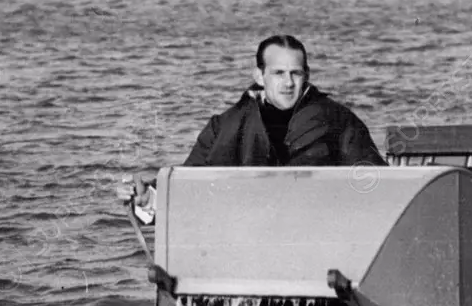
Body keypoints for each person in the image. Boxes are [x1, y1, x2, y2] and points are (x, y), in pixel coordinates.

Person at [117, 34, 386, 221]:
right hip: (243, 246)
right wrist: (147, 199)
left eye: (296, 73)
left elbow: (377, 185)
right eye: (278, 73)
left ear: (307, 75)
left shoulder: (339, 121)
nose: (288, 83)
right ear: (259, 76)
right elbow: (190, 189)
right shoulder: (224, 126)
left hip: (321, 244)